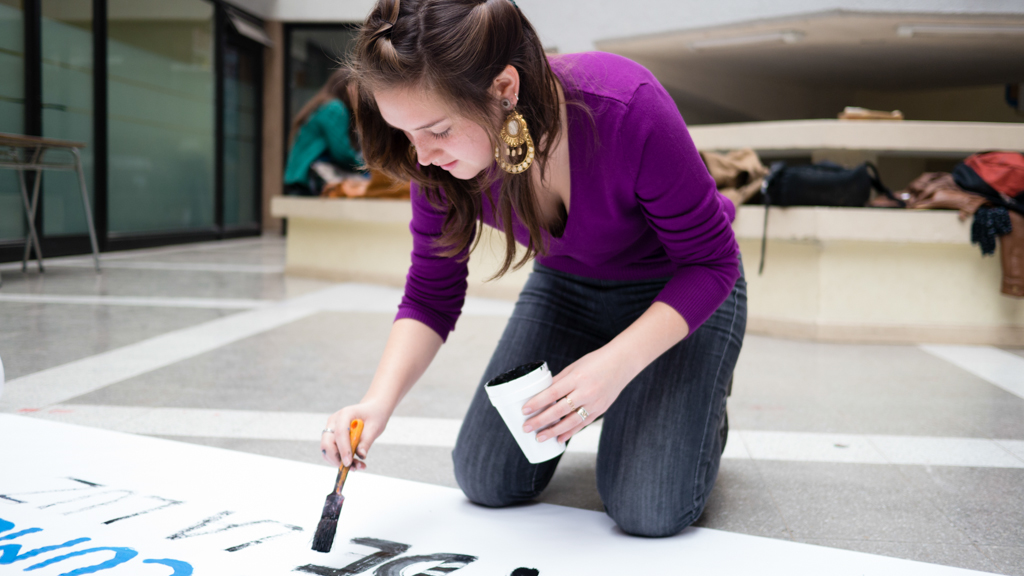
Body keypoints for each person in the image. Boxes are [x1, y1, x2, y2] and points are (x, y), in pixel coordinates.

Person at [321, 0, 746, 538]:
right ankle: (652, 401)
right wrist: (376, 402)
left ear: (503, 88)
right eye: (406, 133)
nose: (422, 156)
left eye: (439, 130)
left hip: (681, 287)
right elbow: (431, 294)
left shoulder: (626, 106)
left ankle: (696, 401)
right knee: (485, 477)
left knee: (648, 508)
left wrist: (616, 365)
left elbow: (711, 261)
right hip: (568, 286)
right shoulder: (433, 164)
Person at [284, 68, 363, 196]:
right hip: (309, 181)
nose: (361, 94)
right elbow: (342, 153)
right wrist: (368, 168)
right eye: (358, 88)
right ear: (346, 86)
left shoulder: (324, 104)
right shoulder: (335, 108)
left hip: (300, 180)